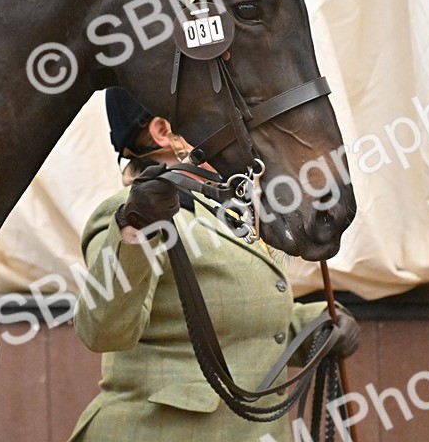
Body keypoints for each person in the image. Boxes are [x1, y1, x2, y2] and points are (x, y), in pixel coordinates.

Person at [68, 88, 360, 442]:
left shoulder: (232, 207)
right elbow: (103, 331)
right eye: (213, 112)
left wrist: (318, 326)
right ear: (163, 132)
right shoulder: (128, 213)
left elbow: (239, 322)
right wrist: (135, 229)